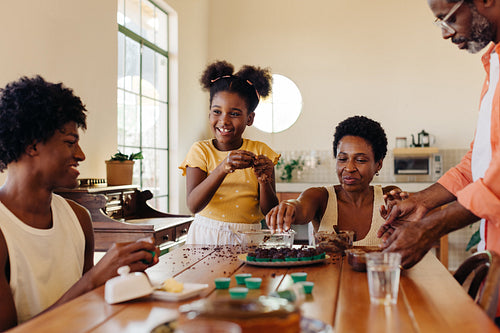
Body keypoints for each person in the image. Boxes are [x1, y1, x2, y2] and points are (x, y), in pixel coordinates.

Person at [0, 76, 160, 330]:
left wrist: (123, 276)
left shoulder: (79, 218)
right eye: (70, 142)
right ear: (32, 145)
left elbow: (88, 307)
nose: (81, 154)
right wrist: (94, 279)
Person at [377, 0, 500, 321]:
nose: (446, 34)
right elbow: (480, 161)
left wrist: (432, 228)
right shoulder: (494, 63)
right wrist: (422, 201)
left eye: (448, 18)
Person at [179, 60, 279, 245]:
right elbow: (193, 205)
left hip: (249, 238)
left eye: (234, 114)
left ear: (249, 118)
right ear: (209, 114)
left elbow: (270, 211)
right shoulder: (201, 151)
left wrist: (264, 182)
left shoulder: (261, 152)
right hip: (205, 237)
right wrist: (223, 168)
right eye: (217, 111)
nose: (224, 120)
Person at [266, 116, 400, 246]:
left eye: (360, 160)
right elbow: (300, 207)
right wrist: (289, 206)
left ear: (378, 164)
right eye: (342, 159)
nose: (349, 168)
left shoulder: (388, 196)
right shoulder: (320, 197)